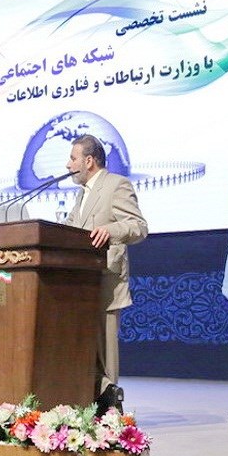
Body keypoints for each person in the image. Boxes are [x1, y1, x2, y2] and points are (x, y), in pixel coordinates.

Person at [63, 134, 147, 416]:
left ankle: (111, 408)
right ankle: (91, 407)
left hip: (106, 282)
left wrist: (110, 231)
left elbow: (138, 226)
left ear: (89, 161)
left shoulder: (116, 185)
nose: (68, 165)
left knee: (105, 353)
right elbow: (70, 229)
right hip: (82, 284)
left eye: (72, 158)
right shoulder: (82, 194)